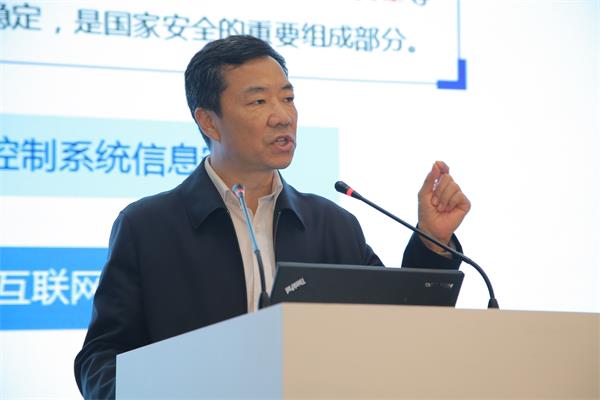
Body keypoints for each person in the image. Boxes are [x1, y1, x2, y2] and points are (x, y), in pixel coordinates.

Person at [74, 35, 471, 399]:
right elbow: (102, 358)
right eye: (259, 102)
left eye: (288, 98)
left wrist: (432, 242)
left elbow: (397, 328)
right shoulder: (148, 227)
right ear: (209, 121)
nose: (282, 116)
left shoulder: (331, 224)